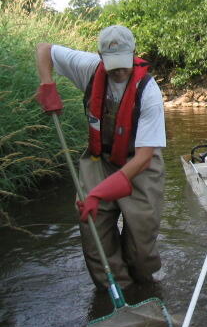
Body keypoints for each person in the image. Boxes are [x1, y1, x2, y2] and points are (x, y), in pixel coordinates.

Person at [35, 25, 166, 290]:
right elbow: (44, 50)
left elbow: (142, 158)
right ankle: (114, 293)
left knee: (141, 250)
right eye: (112, 64)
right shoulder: (87, 67)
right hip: (98, 160)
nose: (118, 71)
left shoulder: (149, 92)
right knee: (93, 231)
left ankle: (145, 290)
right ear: (99, 56)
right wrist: (47, 83)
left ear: (134, 54)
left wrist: (100, 193)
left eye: (123, 64)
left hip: (139, 164)